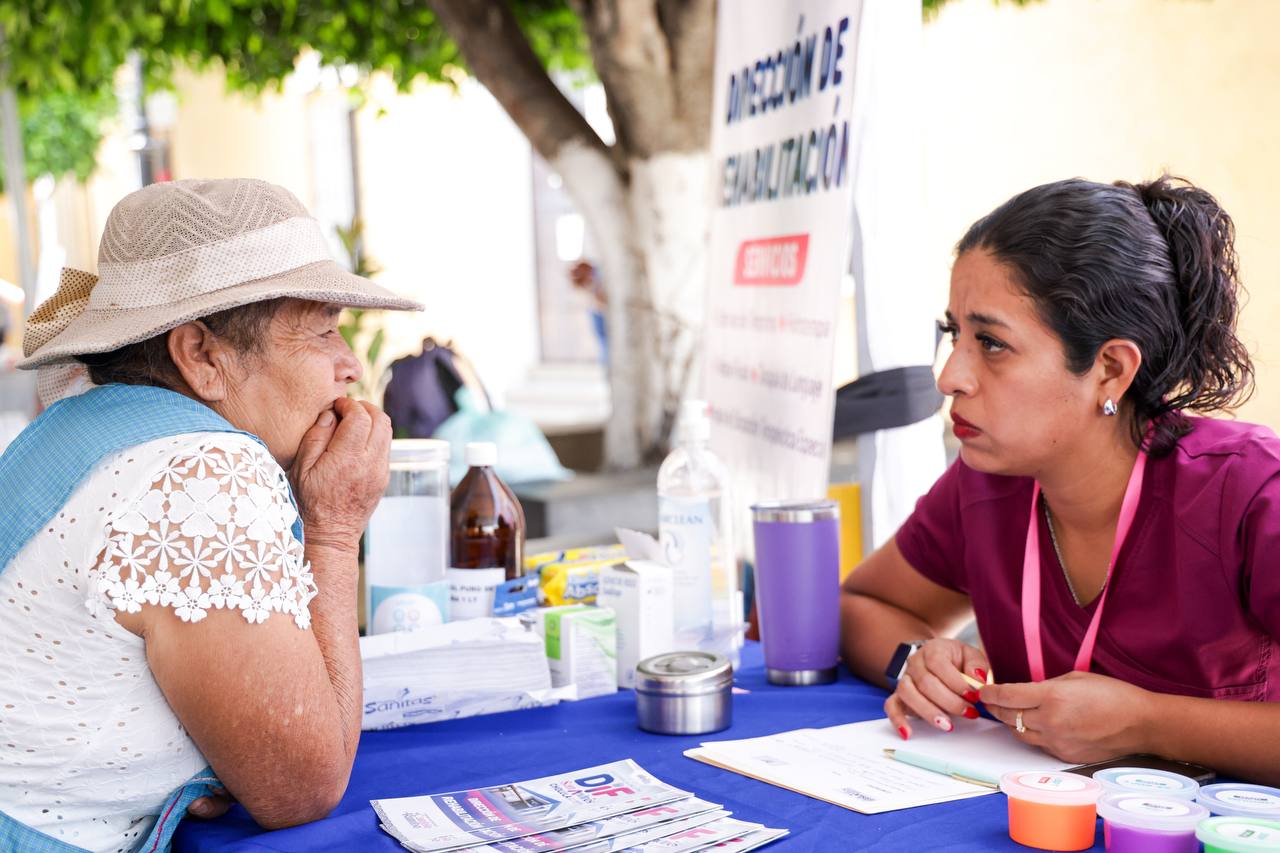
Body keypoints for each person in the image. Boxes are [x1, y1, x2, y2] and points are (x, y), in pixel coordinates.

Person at [0, 178, 421, 851]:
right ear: (200, 355)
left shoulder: (85, 420)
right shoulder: (202, 473)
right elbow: (303, 786)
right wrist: (334, 532)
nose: (349, 364)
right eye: (321, 330)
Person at [839, 175, 1280, 786]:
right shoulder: (988, 481)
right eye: (954, 334)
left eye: (991, 343)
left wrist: (1149, 723)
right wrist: (920, 661)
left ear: (1110, 370)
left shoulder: (1252, 492)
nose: (949, 377)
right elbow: (864, 605)